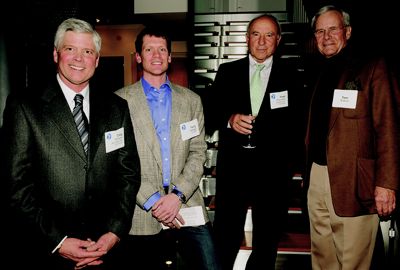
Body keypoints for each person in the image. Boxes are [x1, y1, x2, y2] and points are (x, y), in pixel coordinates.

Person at [0, 18, 141, 269]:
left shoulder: (116, 108)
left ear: (97, 60)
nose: (79, 58)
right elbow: (16, 185)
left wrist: (114, 232)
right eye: (70, 49)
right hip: (47, 250)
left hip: (105, 249)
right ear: (56, 54)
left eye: (87, 52)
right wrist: (58, 241)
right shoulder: (24, 106)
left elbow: (128, 174)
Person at [304, 5, 400, 269]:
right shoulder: (317, 71)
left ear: (347, 31)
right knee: (322, 260)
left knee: (354, 263)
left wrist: (387, 185)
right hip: (317, 178)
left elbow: (388, 129)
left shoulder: (371, 67)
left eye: (333, 29)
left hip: (356, 183)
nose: (326, 37)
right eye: (320, 31)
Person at [114, 26, 218, 270]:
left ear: (170, 56)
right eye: (149, 49)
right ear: (138, 56)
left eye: (162, 49)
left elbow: (198, 152)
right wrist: (153, 202)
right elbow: (119, 160)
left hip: (187, 203)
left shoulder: (191, 101)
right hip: (142, 210)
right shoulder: (119, 101)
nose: (157, 55)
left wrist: (176, 196)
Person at [205, 14, 303, 270]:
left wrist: (291, 166)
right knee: (225, 237)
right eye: (256, 35)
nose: (262, 42)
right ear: (247, 38)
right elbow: (210, 112)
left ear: (278, 40)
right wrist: (229, 119)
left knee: (267, 242)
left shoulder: (291, 75)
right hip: (234, 171)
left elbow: (298, 124)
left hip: (273, 175)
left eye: (269, 35)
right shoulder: (228, 71)